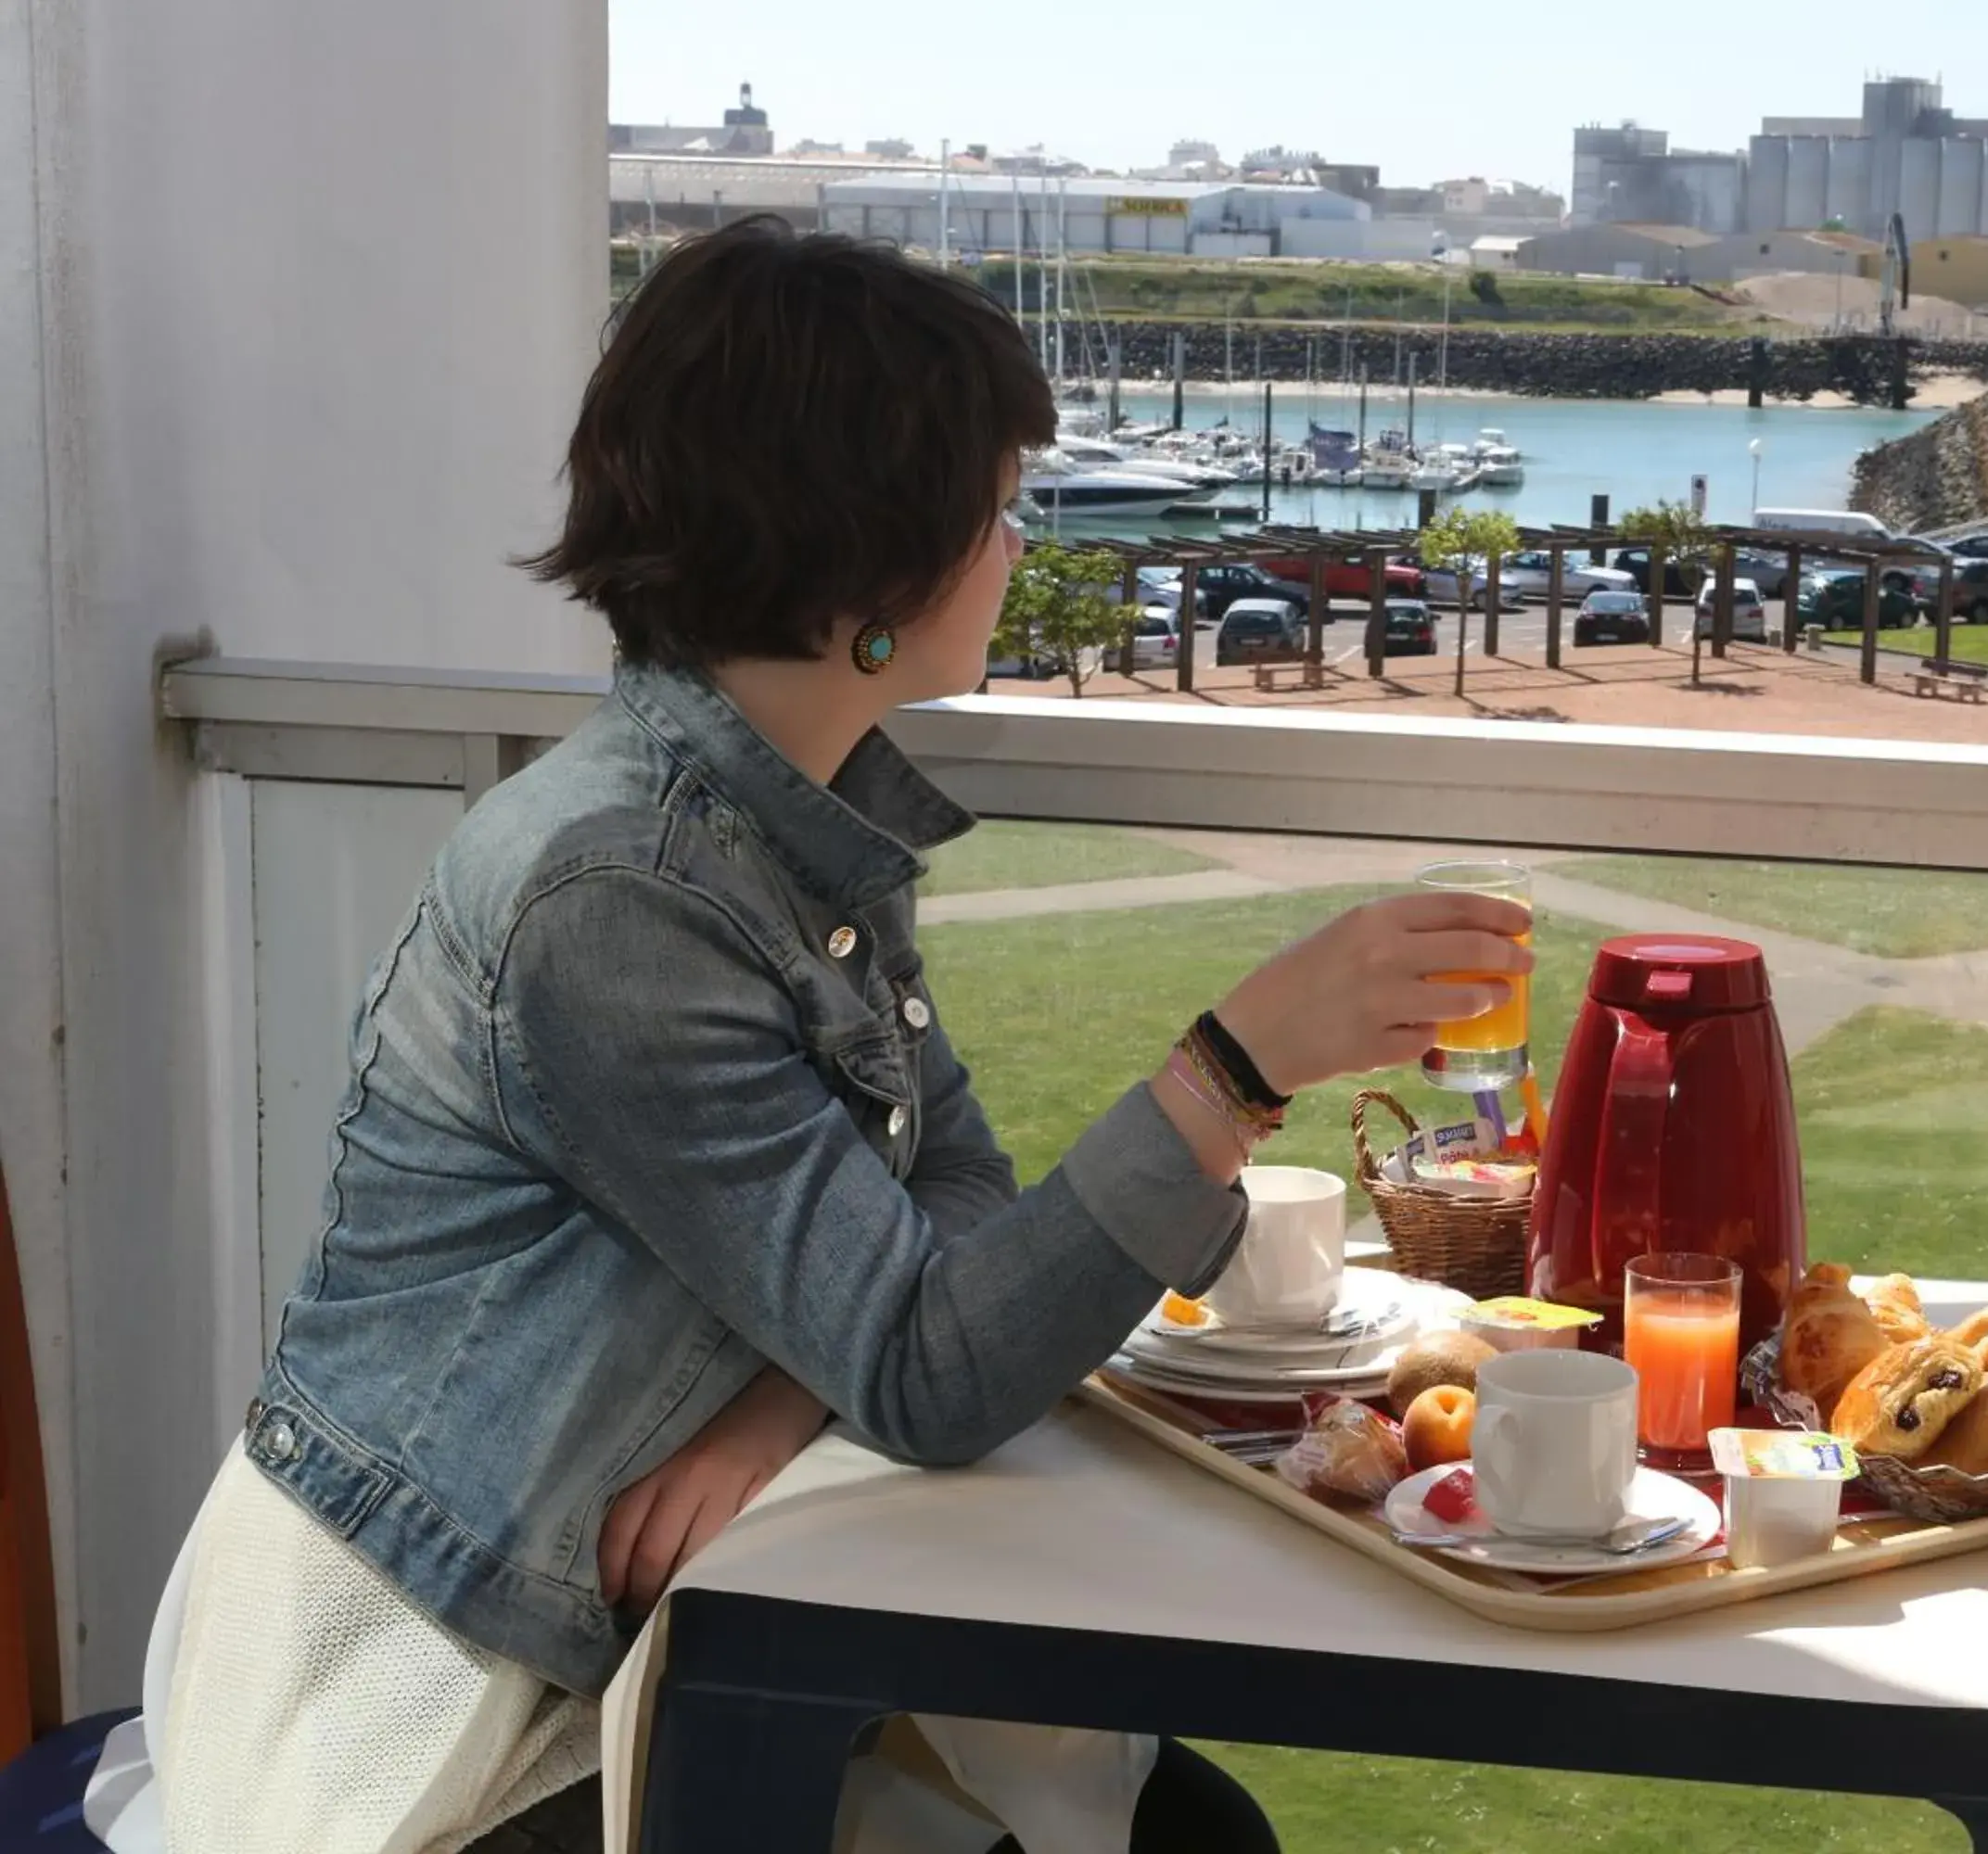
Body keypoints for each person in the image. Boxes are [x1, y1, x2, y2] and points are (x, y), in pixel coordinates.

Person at [137, 217, 1531, 1853]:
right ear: (871, 558)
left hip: (640, 1611)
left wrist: (787, 1397)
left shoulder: (794, 836)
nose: (1018, 543)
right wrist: (1236, 1072)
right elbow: (941, 1365)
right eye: (997, 506)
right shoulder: (615, 901)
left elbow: (955, 1215)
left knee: (1192, 1829)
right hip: (446, 1671)